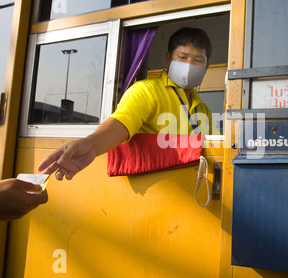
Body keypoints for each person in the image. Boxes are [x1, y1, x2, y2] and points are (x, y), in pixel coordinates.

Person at [37, 27, 218, 180]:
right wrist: (91, 144)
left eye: (197, 60)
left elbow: (215, 149)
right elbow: (121, 122)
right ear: (168, 59)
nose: (189, 64)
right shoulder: (146, 91)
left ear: (206, 66)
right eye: (183, 57)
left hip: (190, 187)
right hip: (152, 188)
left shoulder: (203, 108)